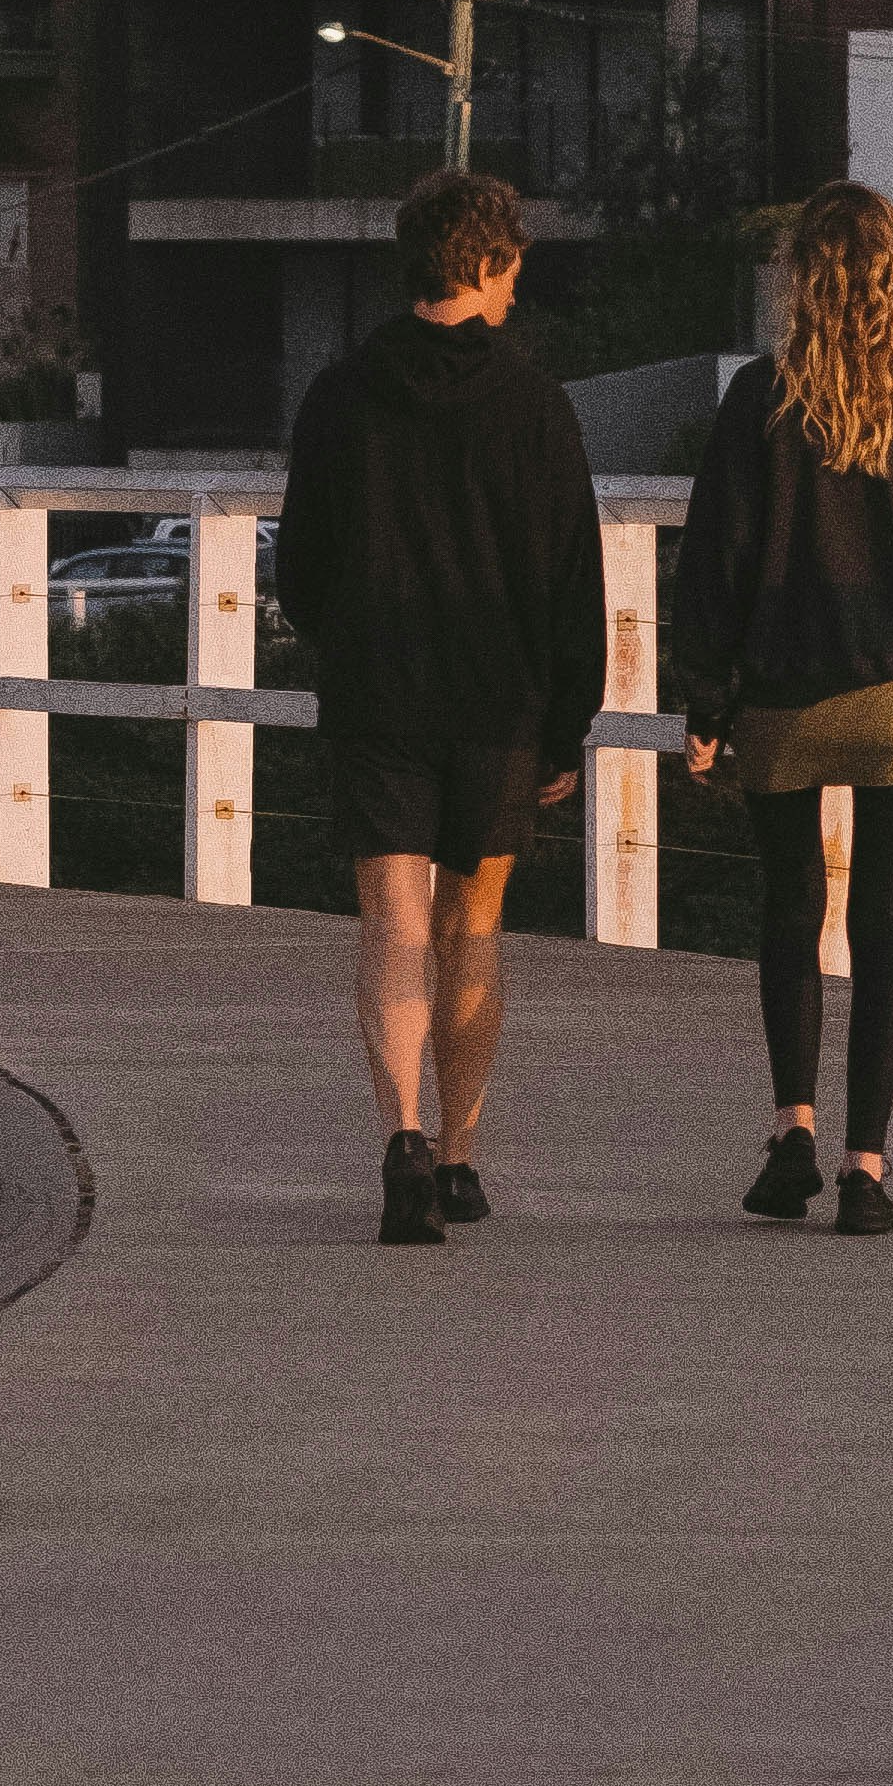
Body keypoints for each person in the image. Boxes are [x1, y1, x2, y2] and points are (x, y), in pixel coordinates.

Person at [275, 163, 606, 1246]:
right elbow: (571, 579)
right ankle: (459, 1159)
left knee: (390, 920)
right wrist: (569, 721)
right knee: (472, 925)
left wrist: (350, 643)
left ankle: (402, 1139)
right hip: (497, 700)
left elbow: (302, 570)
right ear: (493, 261)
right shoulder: (535, 406)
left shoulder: (339, 396)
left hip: (378, 690)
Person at [670, 179, 893, 1242]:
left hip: (781, 697)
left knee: (789, 908)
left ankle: (791, 1133)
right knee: (884, 925)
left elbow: (712, 562)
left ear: (800, 282)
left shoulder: (758, 398)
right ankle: (866, 1170)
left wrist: (705, 701)